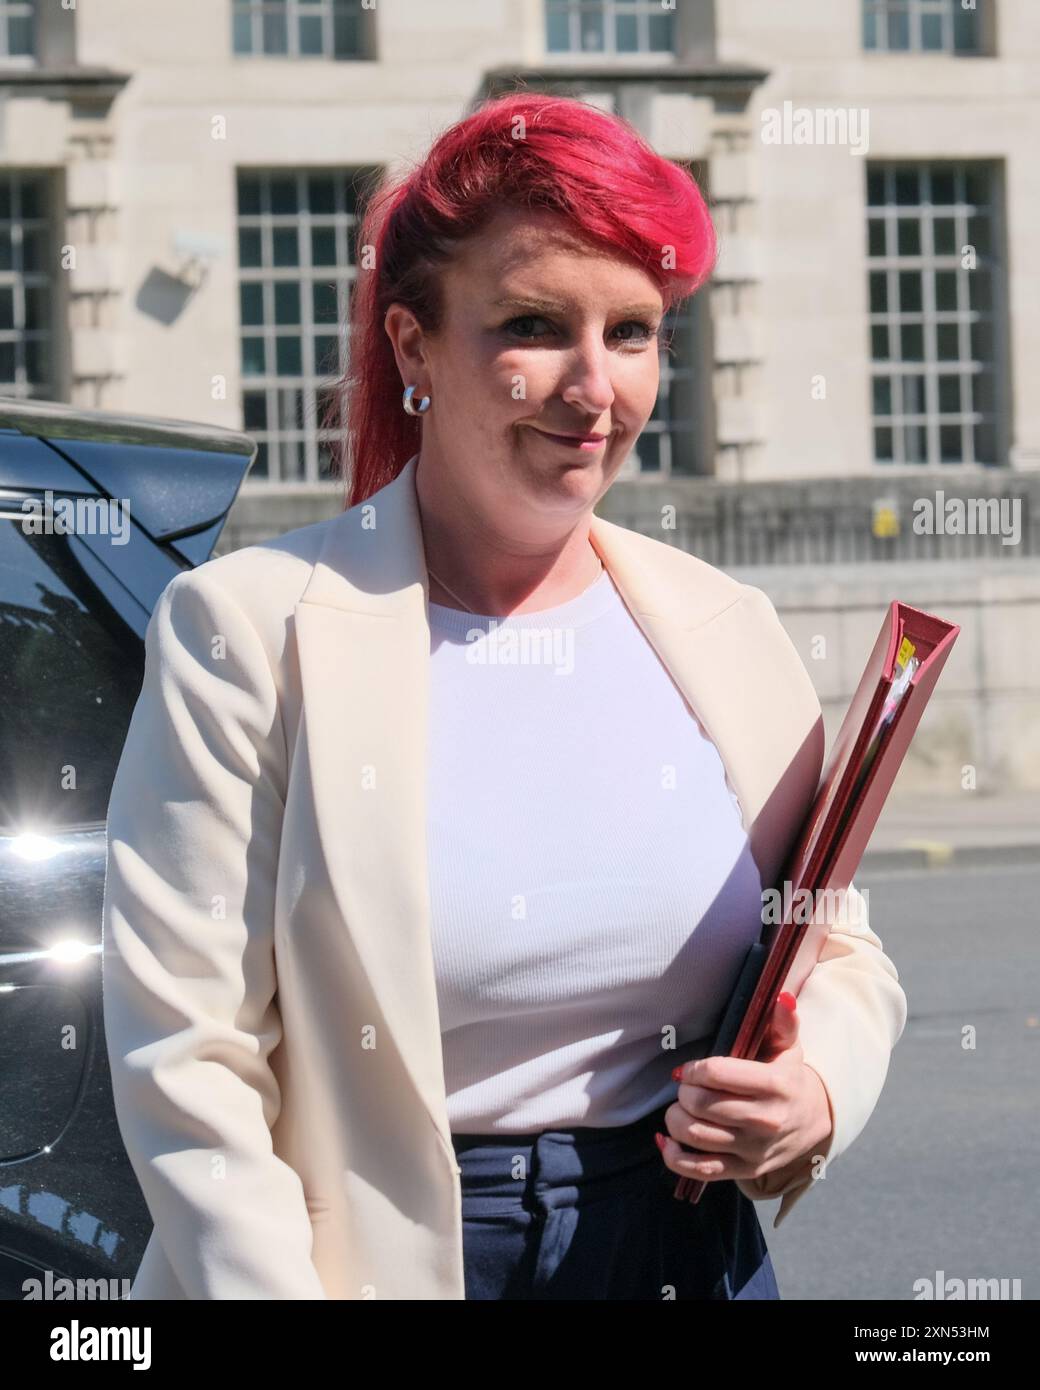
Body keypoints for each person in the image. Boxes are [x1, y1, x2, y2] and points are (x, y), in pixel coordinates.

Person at [101, 91, 907, 1301]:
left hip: (683, 1249)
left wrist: (814, 1090)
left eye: (632, 332)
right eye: (535, 324)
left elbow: (835, 943)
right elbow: (190, 1063)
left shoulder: (722, 625)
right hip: (374, 1265)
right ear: (413, 345)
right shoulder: (247, 630)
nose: (595, 388)